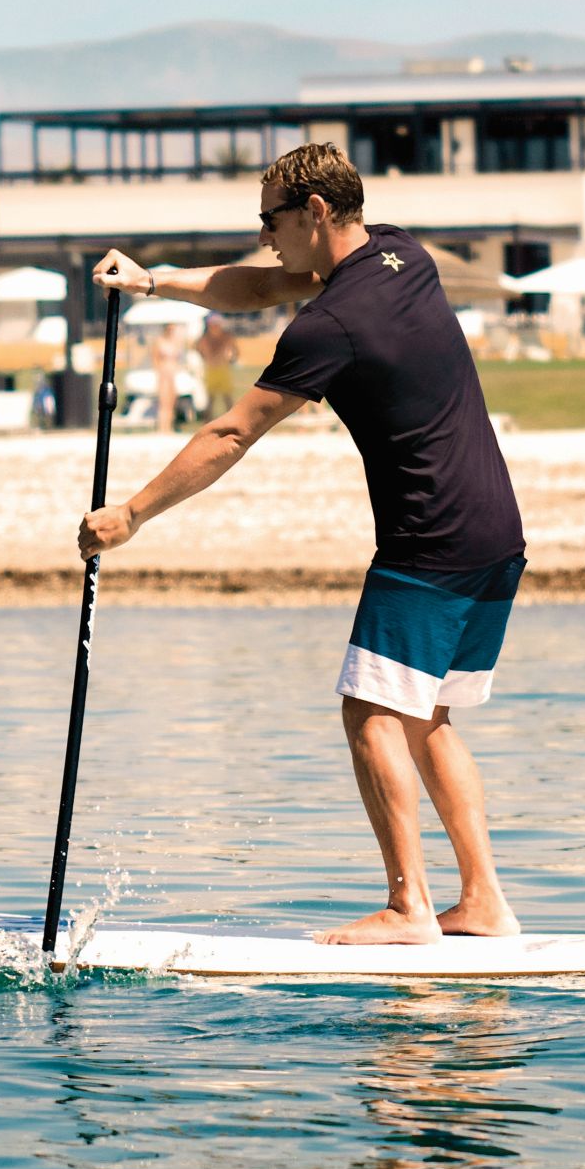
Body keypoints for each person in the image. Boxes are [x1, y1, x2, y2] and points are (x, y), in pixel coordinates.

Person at [81, 144, 524, 947]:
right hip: (497, 528)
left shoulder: (333, 325)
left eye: (271, 220)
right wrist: (152, 282)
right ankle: (483, 901)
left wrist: (132, 515)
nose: (264, 236)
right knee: (428, 718)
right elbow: (258, 286)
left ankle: (409, 907)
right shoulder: (399, 251)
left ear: (316, 212)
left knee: (370, 714)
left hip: (430, 537)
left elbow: (231, 431)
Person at [195, 314, 241, 420]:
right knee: (212, 398)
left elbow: (236, 351)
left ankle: (231, 419)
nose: (215, 326)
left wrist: (231, 359)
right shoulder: (206, 338)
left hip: (221, 368)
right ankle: (208, 420)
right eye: (213, 324)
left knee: (225, 397)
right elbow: (199, 349)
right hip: (212, 368)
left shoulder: (224, 336)